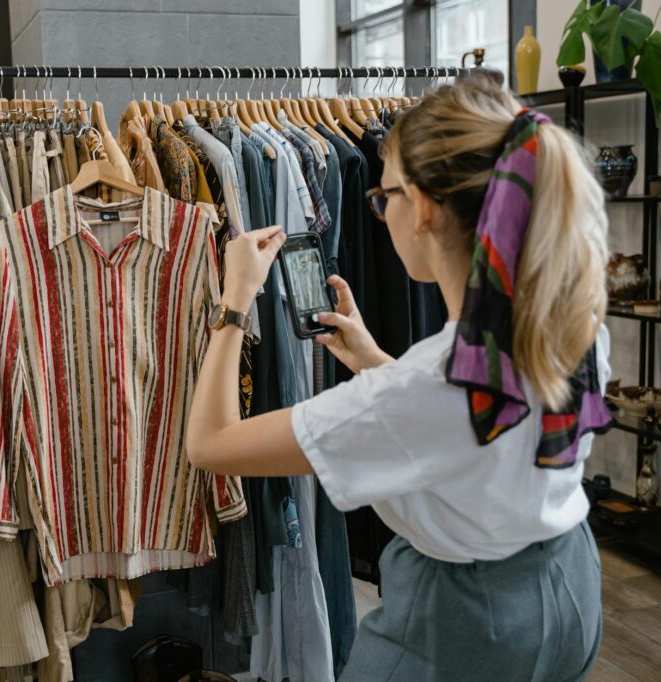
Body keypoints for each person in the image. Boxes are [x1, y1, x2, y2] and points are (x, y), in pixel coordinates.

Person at [186, 76, 611, 680]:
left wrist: (235, 302)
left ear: (427, 209)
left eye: (385, 199)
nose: (381, 216)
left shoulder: (420, 389)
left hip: (466, 624)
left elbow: (210, 445)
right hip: (569, 583)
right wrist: (368, 357)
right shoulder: (570, 321)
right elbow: (468, 429)